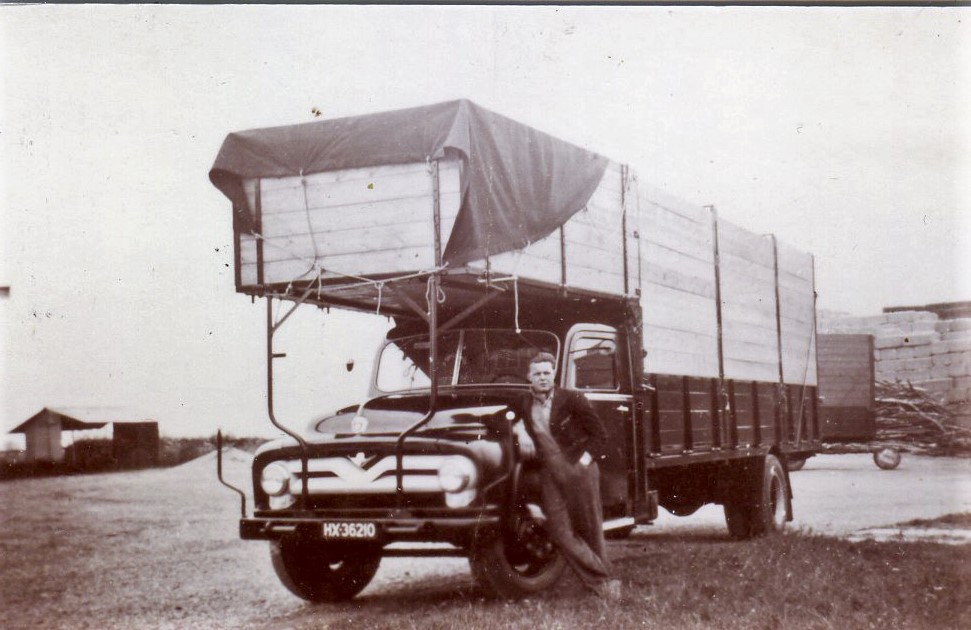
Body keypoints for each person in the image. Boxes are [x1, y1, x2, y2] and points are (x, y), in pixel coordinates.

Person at [513, 351, 622, 600]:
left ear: (554, 374)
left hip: (579, 470)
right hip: (550, 473)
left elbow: (600, 435)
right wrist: (518, 429)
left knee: (590, 528)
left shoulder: (572, 399)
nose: (542, 378)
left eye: (547, 373)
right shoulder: (523, 403)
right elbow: (500, 418)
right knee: (560, 531)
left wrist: (583, 462)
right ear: (528, 377)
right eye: (537, 374)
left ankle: (602, 586)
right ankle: (604, 577)